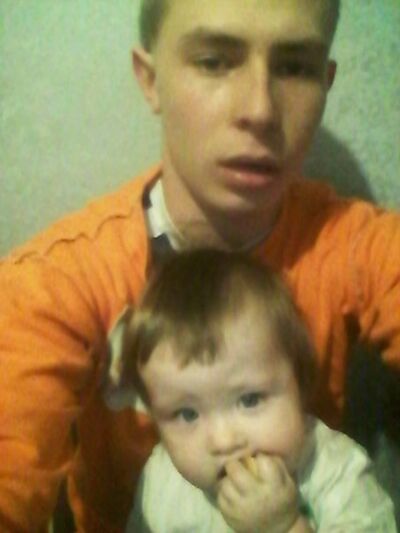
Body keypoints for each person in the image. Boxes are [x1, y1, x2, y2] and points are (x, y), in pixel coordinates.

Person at [0, 0, 399, 531]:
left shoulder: (357, 248)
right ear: (150, 81)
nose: (259, 109)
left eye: (294, 67)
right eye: (214, 61)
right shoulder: (56, 284)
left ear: (325, 86)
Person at [116, 249, 395, 532]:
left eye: (249, 400)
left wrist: (285, 526)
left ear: (300, 384)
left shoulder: (336, 473)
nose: (224, 441)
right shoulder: (161, 479)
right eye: (187, 414)